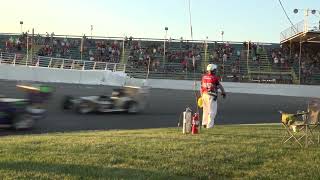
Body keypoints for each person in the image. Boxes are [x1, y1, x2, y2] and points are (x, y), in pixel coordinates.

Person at [200, 64, 226, 128]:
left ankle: (204, 123)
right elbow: (219, 85)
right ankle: (209, 126)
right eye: (215, 70)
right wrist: (223, 92)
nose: (216, 71)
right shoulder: (214, 77)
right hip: (211, 96)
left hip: (204, 95)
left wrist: (201, 96)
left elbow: (201, 87)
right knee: (212, 111)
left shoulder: (204, 77)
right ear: (213, 70)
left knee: (205, 110)